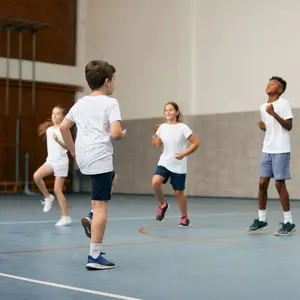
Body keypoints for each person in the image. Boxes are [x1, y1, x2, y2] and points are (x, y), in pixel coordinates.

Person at [59, 60, 126, 270]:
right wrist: (121, 134)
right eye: (113, 80)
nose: (114, 84)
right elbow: (115, 133)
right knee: (101, 206)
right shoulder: (110, 103)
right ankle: (94, 257)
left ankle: (90, 215)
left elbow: (63, 127)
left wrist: (72, 150)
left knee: (113, 179)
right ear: (107, 81)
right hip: (100, 158)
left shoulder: (79, 103)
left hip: (84, 159)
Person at [248, 76, 296, 236]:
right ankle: (262, 220)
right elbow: (270, 129)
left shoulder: (284, 103)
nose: (269, 85)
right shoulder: (263, 107)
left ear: (280, 90)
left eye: (273, 84)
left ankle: (289, 222)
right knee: (262, 184)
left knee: (279, 185)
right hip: (267, 149)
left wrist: (274, 114)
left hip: (281, 149)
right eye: (268, 83)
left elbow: (289, 126)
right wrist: (263, 127)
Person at [152, 102, 199, 227]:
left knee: (179, 192)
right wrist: (155, 138)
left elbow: (195, 143)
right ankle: (162, 205)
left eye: (171, 110)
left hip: (178, 163)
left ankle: (184, 217)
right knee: (155, 182)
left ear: (177, 112)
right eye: (166, 110)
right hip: (165, 161)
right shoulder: (162, 127)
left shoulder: (183, 127)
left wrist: (184, 154)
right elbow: (158, 144)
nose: (168, 112)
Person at [33, 105, 72, 227]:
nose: (54, 116)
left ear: (63, 116)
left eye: (58, 114)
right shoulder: (50, 130)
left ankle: (66, 217)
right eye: (53, 114)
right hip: (50, 161)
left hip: (61, 162)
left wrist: (58, 141)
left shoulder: (65, 129)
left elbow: (70, 147)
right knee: (36, 176)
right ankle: (48, 197)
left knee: (57, 190)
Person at [81, 171, 118, 238]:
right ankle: (91, 216)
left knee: (114, 177)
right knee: (100, 204)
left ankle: (91, 214)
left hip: (89, 165)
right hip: (98, 165)